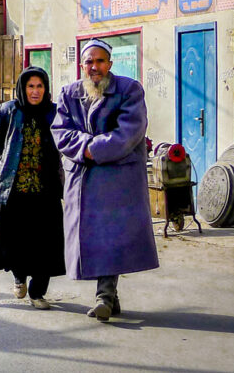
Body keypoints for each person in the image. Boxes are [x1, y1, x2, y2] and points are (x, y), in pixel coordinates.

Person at [52, 39, 159, 322]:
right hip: (82, 179)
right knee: (93, 238)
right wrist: (85, 146)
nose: (95, 67)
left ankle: (104, 296)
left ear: (110, 64)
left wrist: (93, 149)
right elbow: (61, 131)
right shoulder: (68, 94)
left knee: (110, 236)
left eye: (100, 61)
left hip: (117, 180)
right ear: (82, 65)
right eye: (89, 62)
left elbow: (129, 132)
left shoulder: (129, 90)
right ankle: (111, 297)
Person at [0, 66, 65, 310]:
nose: (35, 91)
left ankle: (37, 292)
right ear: (22, 88)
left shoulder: (54, 112)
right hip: (15, 189)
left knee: (47, 242)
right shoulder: (8, 110)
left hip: (46, 190)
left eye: (40, 86)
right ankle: (19, 277)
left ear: (46, 88)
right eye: (30, 86)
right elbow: (0, 145)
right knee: (15, 241)